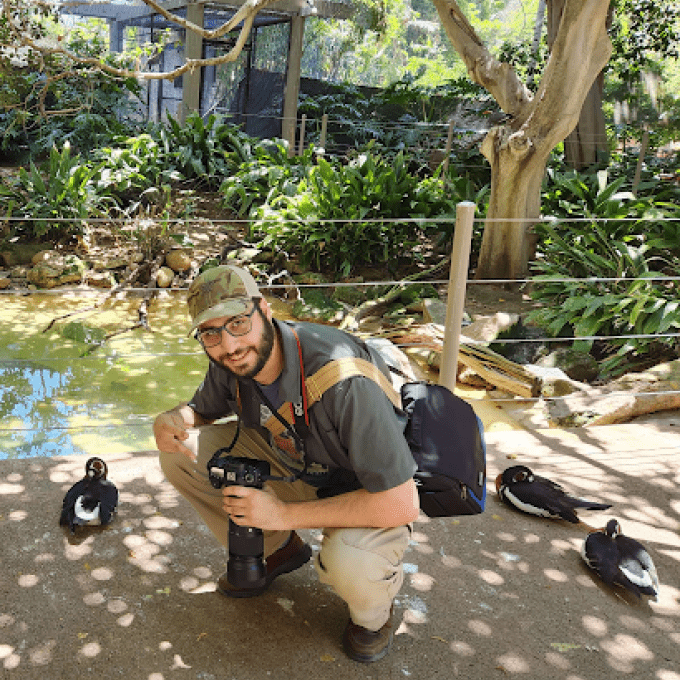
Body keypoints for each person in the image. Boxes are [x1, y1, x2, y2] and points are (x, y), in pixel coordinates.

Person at [153, 264, 419, 663]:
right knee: (183, 456)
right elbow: (201, 410)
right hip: (295, 464)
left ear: (264, 309)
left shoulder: (344, 379)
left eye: (238, 322)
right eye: (210, 332)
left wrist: (281, 513)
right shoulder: (231, 360)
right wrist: (175, 418)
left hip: (363, 492)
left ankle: (373, 616)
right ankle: (280, 550)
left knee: (353, 565)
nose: (227, 344)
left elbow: (401, 503)